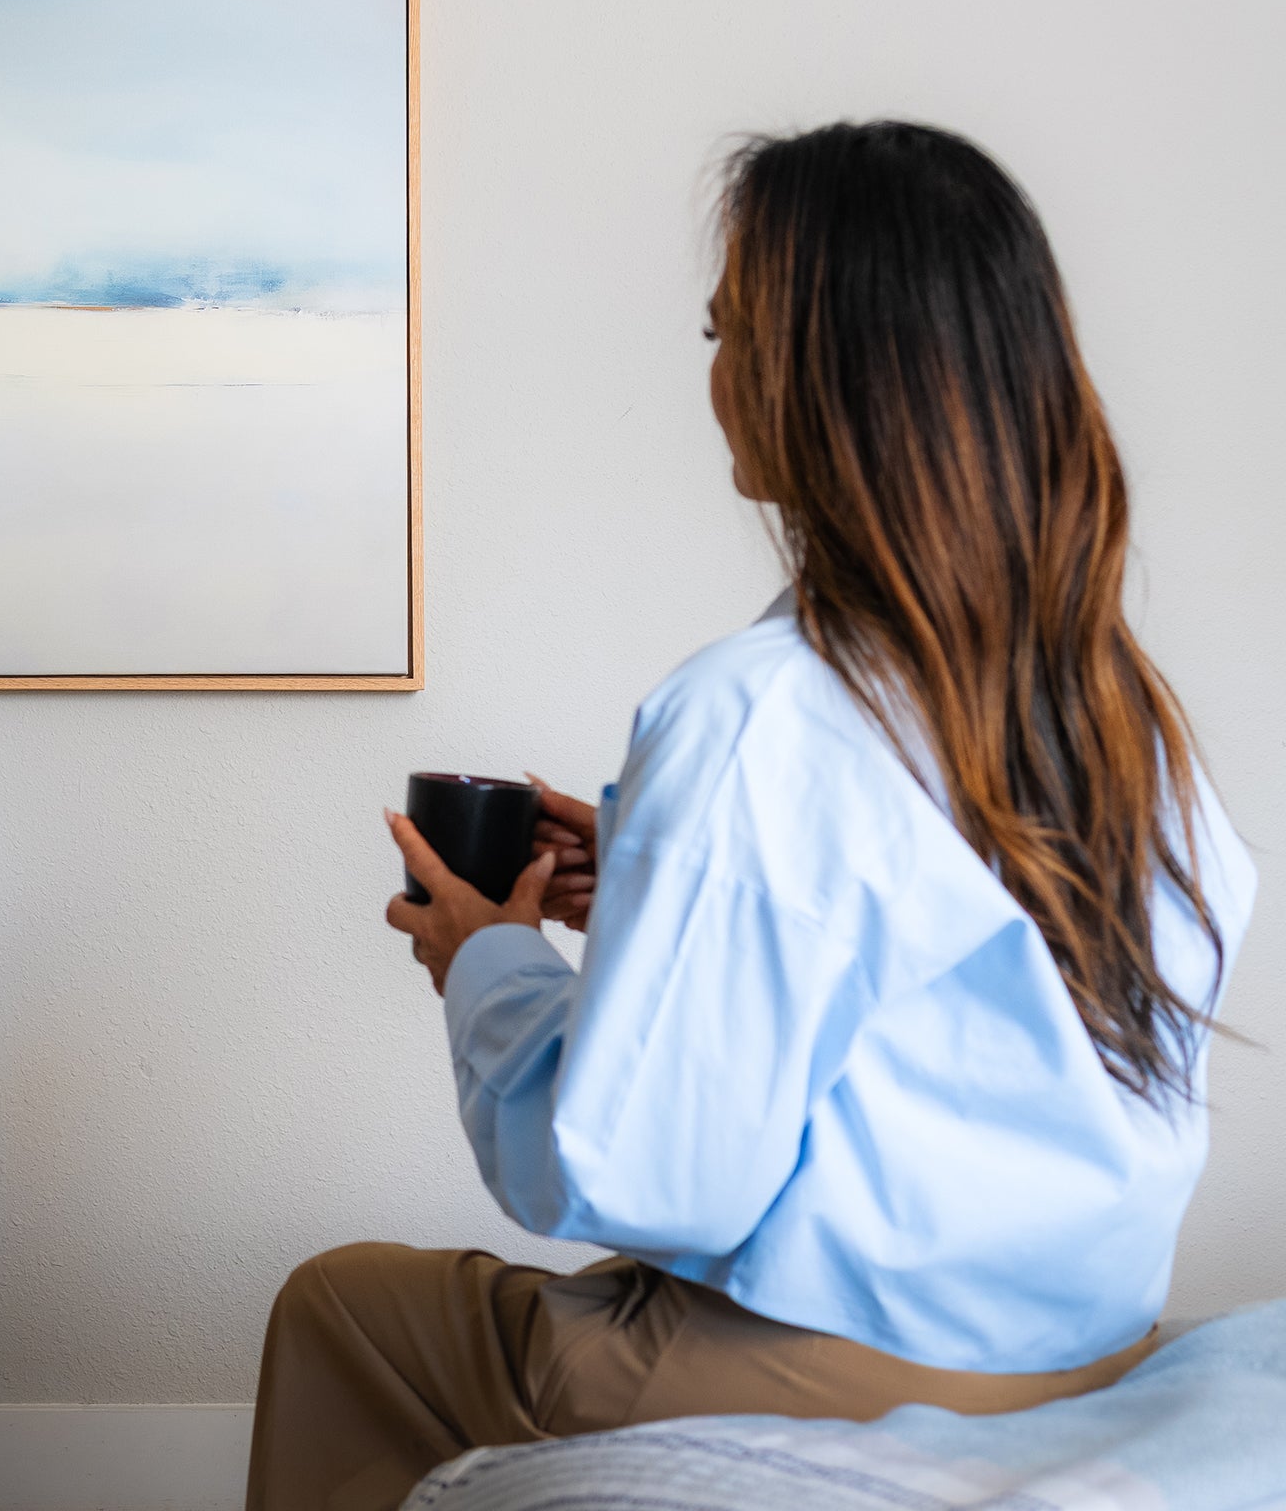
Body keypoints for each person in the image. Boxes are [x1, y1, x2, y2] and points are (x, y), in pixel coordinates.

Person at [244, 120, 1257, 1511]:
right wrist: (654, 882)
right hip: (1084, 1353)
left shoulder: (759, 711)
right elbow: (940, 984)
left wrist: (485, 962)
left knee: (343, 1310)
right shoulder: (1116, 711)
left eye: (728, 334)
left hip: (850, 1373)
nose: (714, 377)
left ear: (817, 375)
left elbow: (645, 1176)